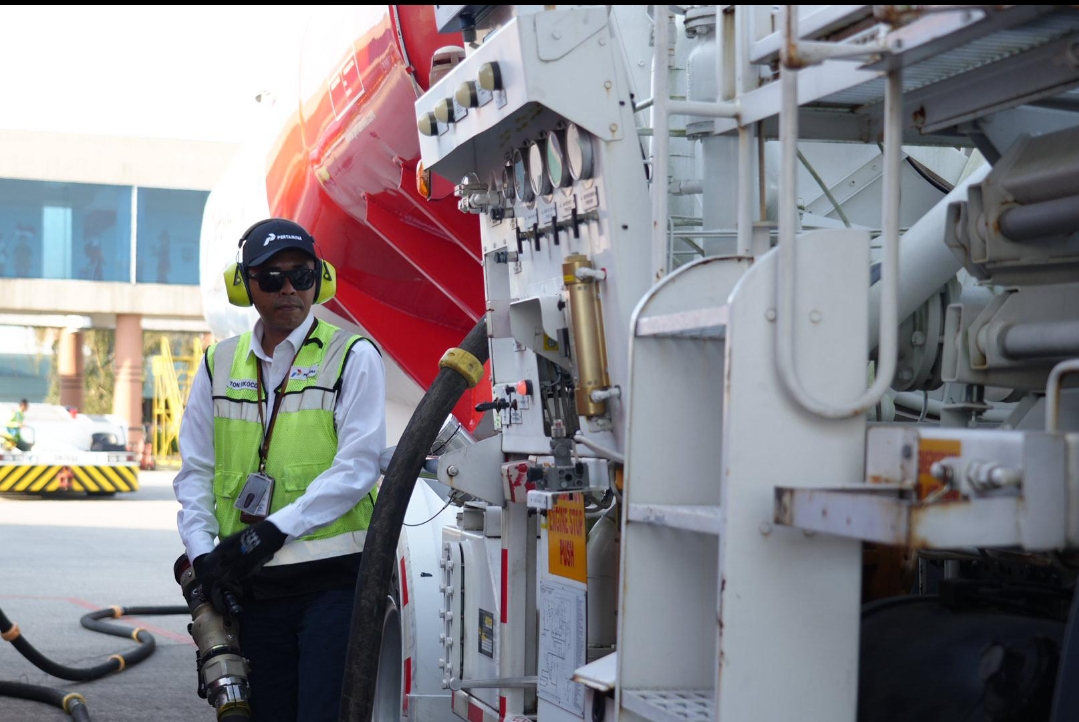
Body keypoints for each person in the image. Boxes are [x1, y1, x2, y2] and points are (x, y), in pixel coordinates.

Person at [172, 217, 386, 722]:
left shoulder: (353, 356)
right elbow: (195, 476)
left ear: (321, 279)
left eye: (302, 275)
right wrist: (205, 559)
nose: (289, 288)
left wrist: (269, 533)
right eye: (271, 278)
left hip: (334, 588)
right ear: (244, 285)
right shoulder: (215, 364)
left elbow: (357, 468)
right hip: (252, 591)